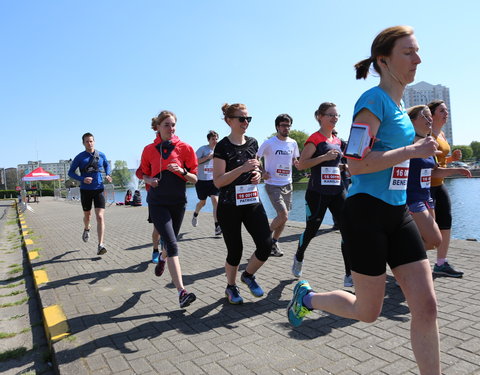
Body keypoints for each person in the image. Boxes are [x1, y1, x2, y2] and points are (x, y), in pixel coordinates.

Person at [287, 26, 442, 375]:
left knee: (426, 306)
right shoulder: (373, 101)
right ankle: (306, 298)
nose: (418, 59)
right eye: (409, 52)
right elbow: (355, 164)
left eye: (418, 51)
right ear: (383, 60)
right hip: (366, 212)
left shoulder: (401, 108)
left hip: (397, 212)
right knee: (368, 312)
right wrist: (412, 149)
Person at [213, 103, 272, 304]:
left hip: (251, 201)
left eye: (248, 119)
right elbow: (218, 181)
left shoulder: (253, 143)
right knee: (235, 251)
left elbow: (257, 169)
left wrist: (257, 174)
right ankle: (231, 286)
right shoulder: (222, 146)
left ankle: (248, 275)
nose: (245, 122)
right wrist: (242, 169)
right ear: (229, 121)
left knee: (266, 245)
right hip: (229, 206)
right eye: (241, 118)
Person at [139, 110, 198, 308]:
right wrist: (150, 180)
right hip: (157, 202)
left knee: (169, 247)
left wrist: (182, 171)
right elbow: (142, 175)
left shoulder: (186, 148)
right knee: (173, 245)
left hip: (178, 202)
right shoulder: (149, 150)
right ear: (157, 127)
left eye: (173, 125)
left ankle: (163, 258)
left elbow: (195, 178)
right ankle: (182, 292)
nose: (171, 128)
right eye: (166, 125)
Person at [291, 103, 352, 287]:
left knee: (347, 230)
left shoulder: (339, 141)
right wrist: (324, 158)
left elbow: (339, 165)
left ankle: (349, 274)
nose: (334, 118)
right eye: (330, 115)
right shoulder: (315, 139)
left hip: (337, 190)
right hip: (317, 192)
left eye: (336, 115)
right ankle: (299, 255)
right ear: (319, 116)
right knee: (312, 230)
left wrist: (344, 167)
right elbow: (302, 164)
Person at [407, 105, 471, 258]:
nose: (430, 119)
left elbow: (434, 171)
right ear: (413, 120)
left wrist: (457, 170)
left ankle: (407, 268)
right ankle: (398, 257)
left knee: (430, 242)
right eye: (425, 116)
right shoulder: (406, 142)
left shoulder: (429, 142)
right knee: (434, 239)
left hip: (427, 197)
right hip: (411, 198)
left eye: (430, 116)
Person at [428, 100, 465, 277]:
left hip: (439, 185)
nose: (446, 113)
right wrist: (457, 169)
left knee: (446, 223)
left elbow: (440, 162)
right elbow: (431, 170)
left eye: (447, 110)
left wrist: (451, 159)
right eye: (442, 111)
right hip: (426, 187)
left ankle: (441, 264)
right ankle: (410, 268)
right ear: (432, 114)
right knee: (426, 230)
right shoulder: (427, 136)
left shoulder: (441, 134)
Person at [257, 114, 300, 257]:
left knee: (283, 218)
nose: (286, 128)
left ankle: (273, 243)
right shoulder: (269, 143)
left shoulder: (293, 143)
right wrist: (262, 172)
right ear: (277, 127)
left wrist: (297, 163)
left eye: (288, 125)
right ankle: (264, 238)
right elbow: (256, 158)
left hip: (288, 184)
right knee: (283, 215)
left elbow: (295, 159)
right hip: (272, 184)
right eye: (283, 125)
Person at [68, 132, 112, 255]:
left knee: (100, 216)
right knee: (88, 216)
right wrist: (83, 179)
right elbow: (70, 173)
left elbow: (107, 165)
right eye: (87, 141)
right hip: (85, 190)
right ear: (83, 143)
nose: (89, 143)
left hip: (98, 189)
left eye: (91, 141)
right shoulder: (79, 157)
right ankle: (86, 228)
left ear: (94, 141)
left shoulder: (101, 154)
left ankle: (100, 245)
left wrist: (108, 174)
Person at [192, 130, 222, 235]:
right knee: (202, 202)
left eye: (216, 139)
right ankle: (195, 214)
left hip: (213, 181)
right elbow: (194, 162)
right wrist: (208, 158)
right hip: (201, 181)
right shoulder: (203, 149)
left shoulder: (219, 150)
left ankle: (217, 226)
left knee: (215, 201)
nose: (215, 141)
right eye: (213, 139)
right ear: (208, 140)